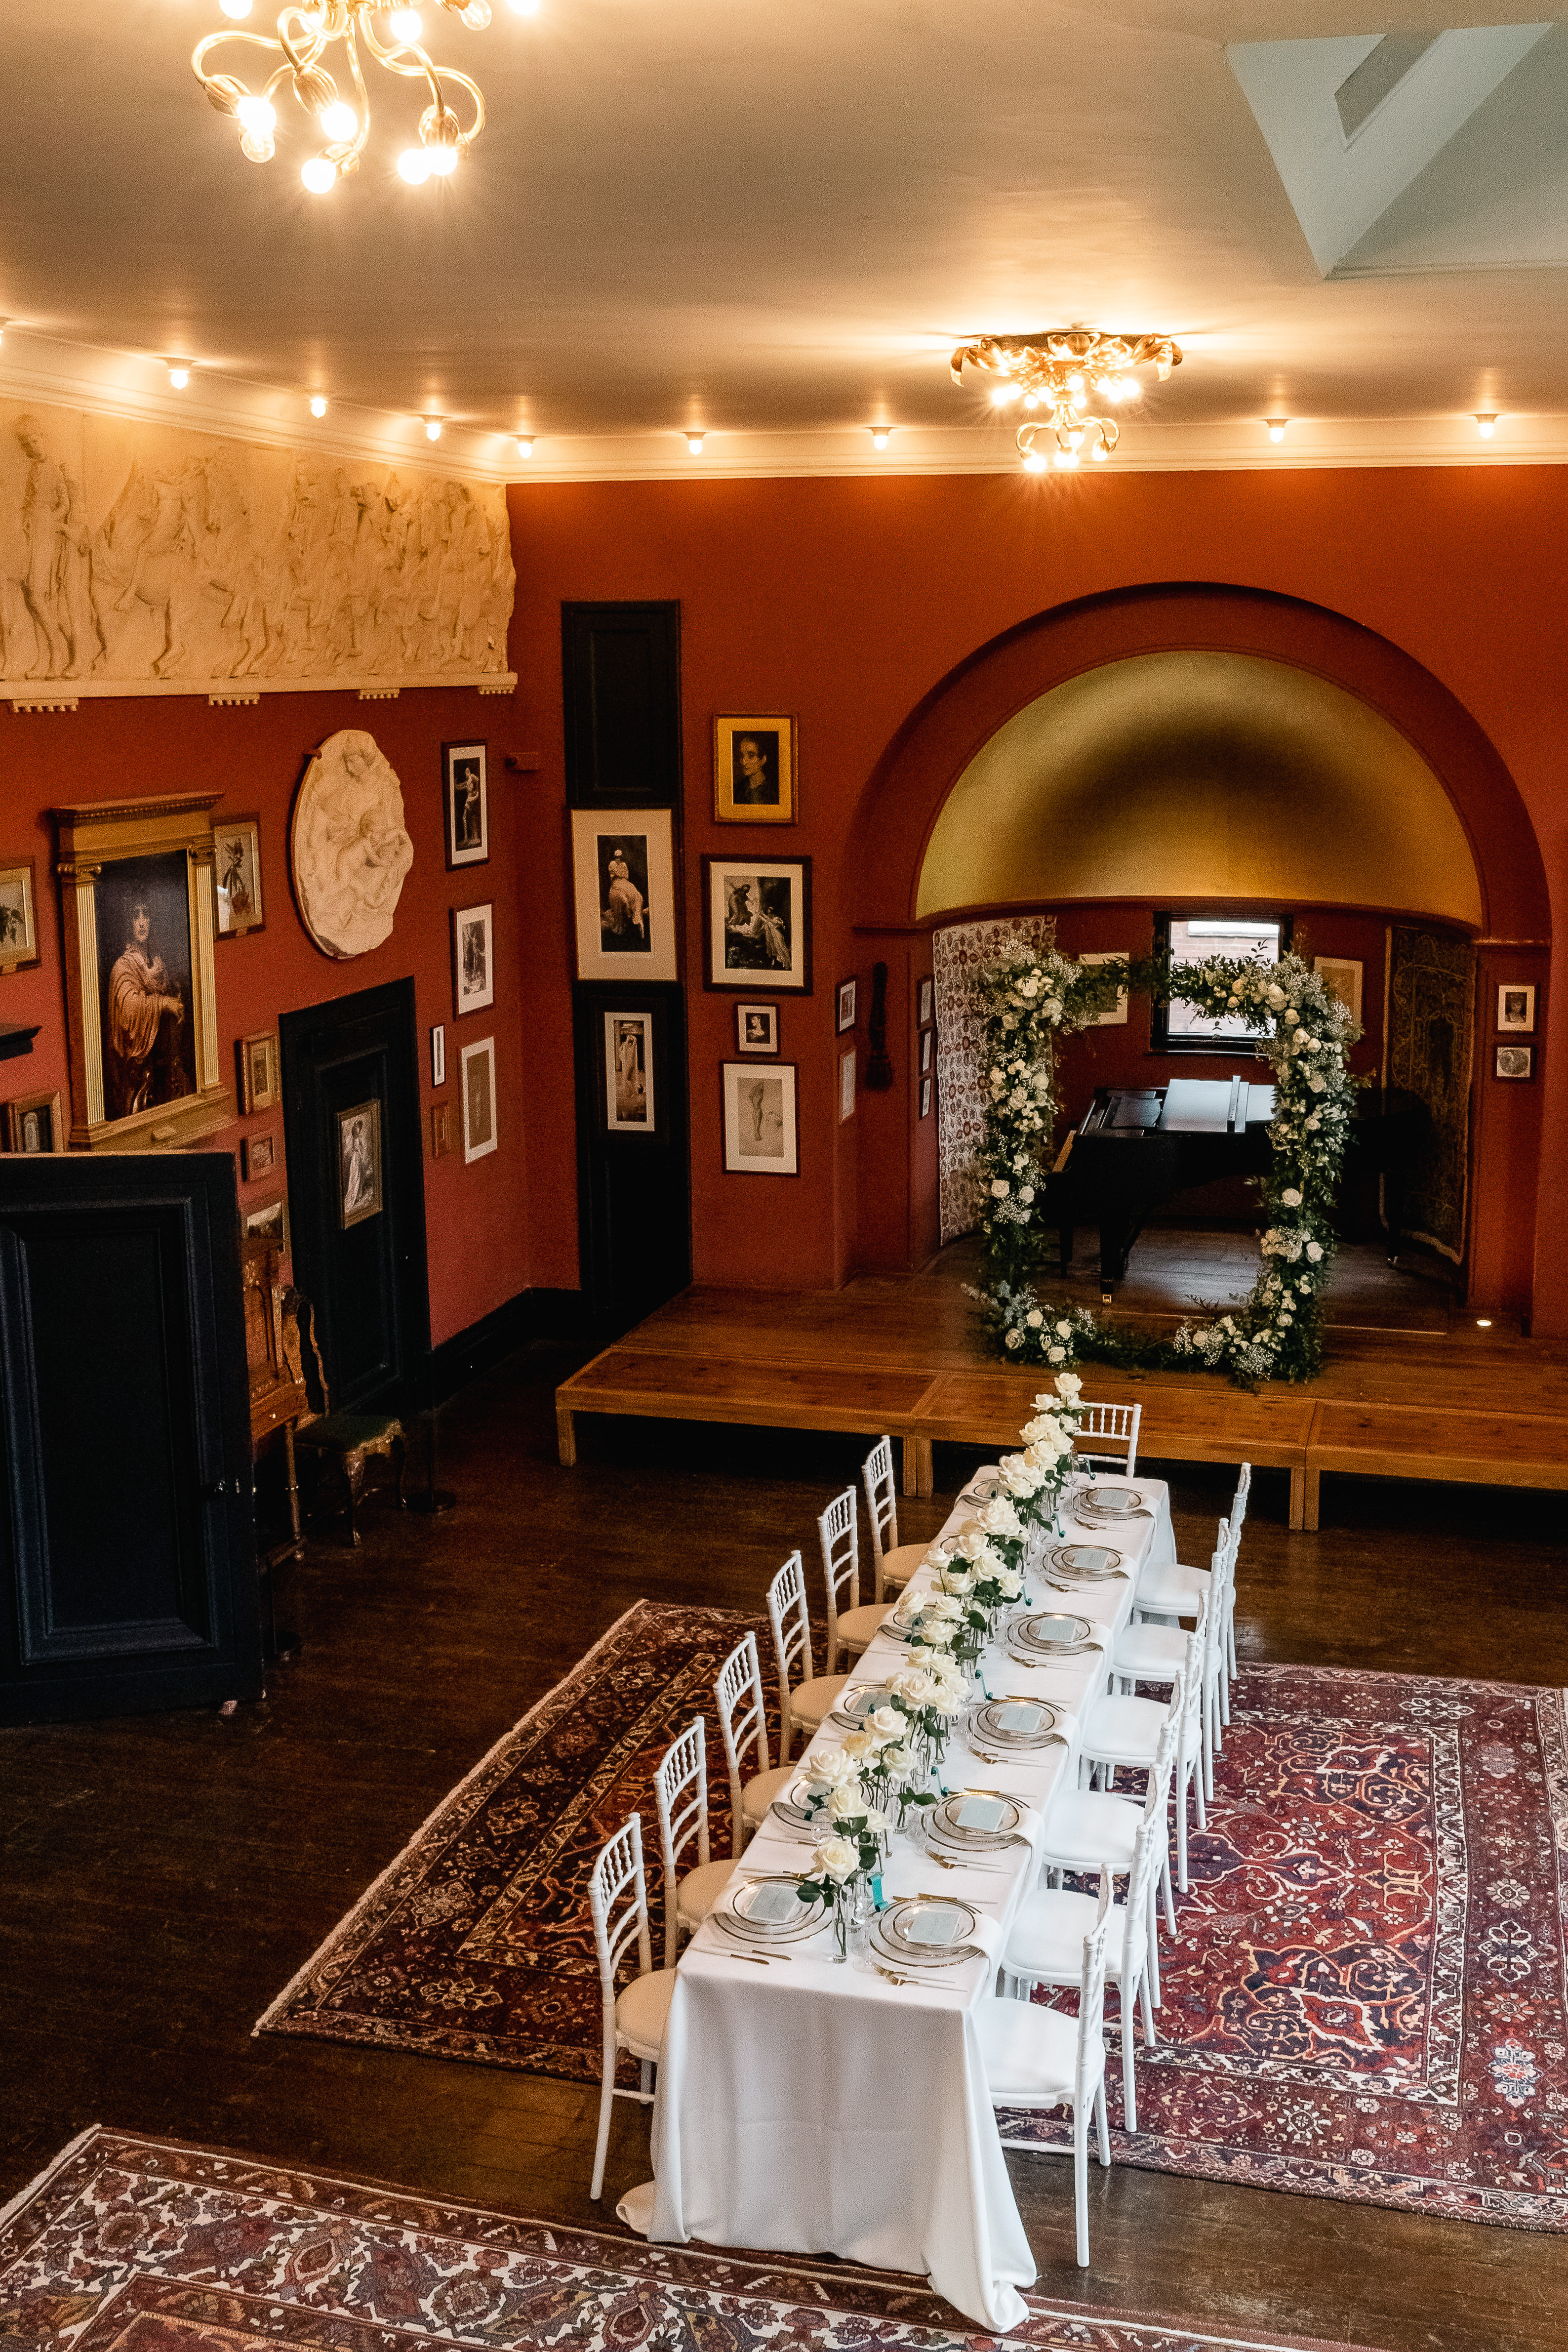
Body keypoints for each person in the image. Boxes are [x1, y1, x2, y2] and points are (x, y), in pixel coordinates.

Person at [106, 895, 187, 1119]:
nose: (142, 923)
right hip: (138, 1071)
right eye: (136, 916)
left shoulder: (159, 963)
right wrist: (163, 1003)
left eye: (146, 915)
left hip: (165, 1065)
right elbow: (128, 1009)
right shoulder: (123, 967)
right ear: (128, 923)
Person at [603, 847, 646, 940]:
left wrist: (620, 874)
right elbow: (619, 874)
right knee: (624, 896)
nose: (618, 859)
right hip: (616, 883)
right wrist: (619, 874)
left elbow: (626, 876)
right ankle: (629, 915)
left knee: (635, 894)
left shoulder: (624, 864)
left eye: (620, 857)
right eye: (617, 857)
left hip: (624, 882)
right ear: (615, 857)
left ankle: (637, 919)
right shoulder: (612, 864)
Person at [732, 733, 778, 807]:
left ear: (763, 760)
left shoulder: (774, 791)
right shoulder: (736, 790)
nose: (744, 762)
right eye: (742, 756)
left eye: (751, 756)